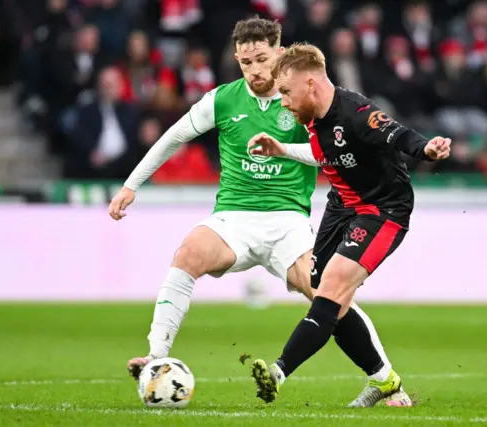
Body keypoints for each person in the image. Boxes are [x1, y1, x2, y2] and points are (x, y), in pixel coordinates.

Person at [108, 18, 412, 408]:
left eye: (262, 59)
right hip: (233, 219)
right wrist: (132, 184)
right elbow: (174, 137)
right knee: (188, 253)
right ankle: (155, 356)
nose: (254, 70)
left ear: (280, 54)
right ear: (237, 59)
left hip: (288, 222)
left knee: (328, 294)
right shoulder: (222, 100)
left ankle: (387, 380)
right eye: (246, 62)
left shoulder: (303, 102)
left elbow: (336, 152)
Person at [247, 42, 451, 406]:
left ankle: (277, 373)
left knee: (332, 288)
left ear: (310, 84)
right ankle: (386, 381)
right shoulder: (310, 117)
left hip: (381, 210)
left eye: (287, 92)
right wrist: (282, 149)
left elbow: (397, 134)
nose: (284, 102)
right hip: (341, 206)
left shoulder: (356, 112)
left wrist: (427, 149)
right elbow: (325, 151)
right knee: (326, 295)